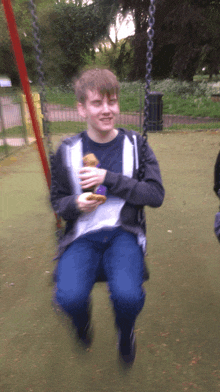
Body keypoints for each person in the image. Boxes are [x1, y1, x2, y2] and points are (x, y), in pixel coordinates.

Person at [50, 68, 165, 365]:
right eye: (97, 103)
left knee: (128, 297)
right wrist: (76, 204)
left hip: (122, 233)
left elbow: (155, 196)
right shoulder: (67, 151)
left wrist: (108, 178)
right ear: (81, 108)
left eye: (111, 102)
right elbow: (58, 203)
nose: (107, 110)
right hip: (83, 235)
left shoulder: (136, 147)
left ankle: (125, 331)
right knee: (68, 298)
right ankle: (82, 322)